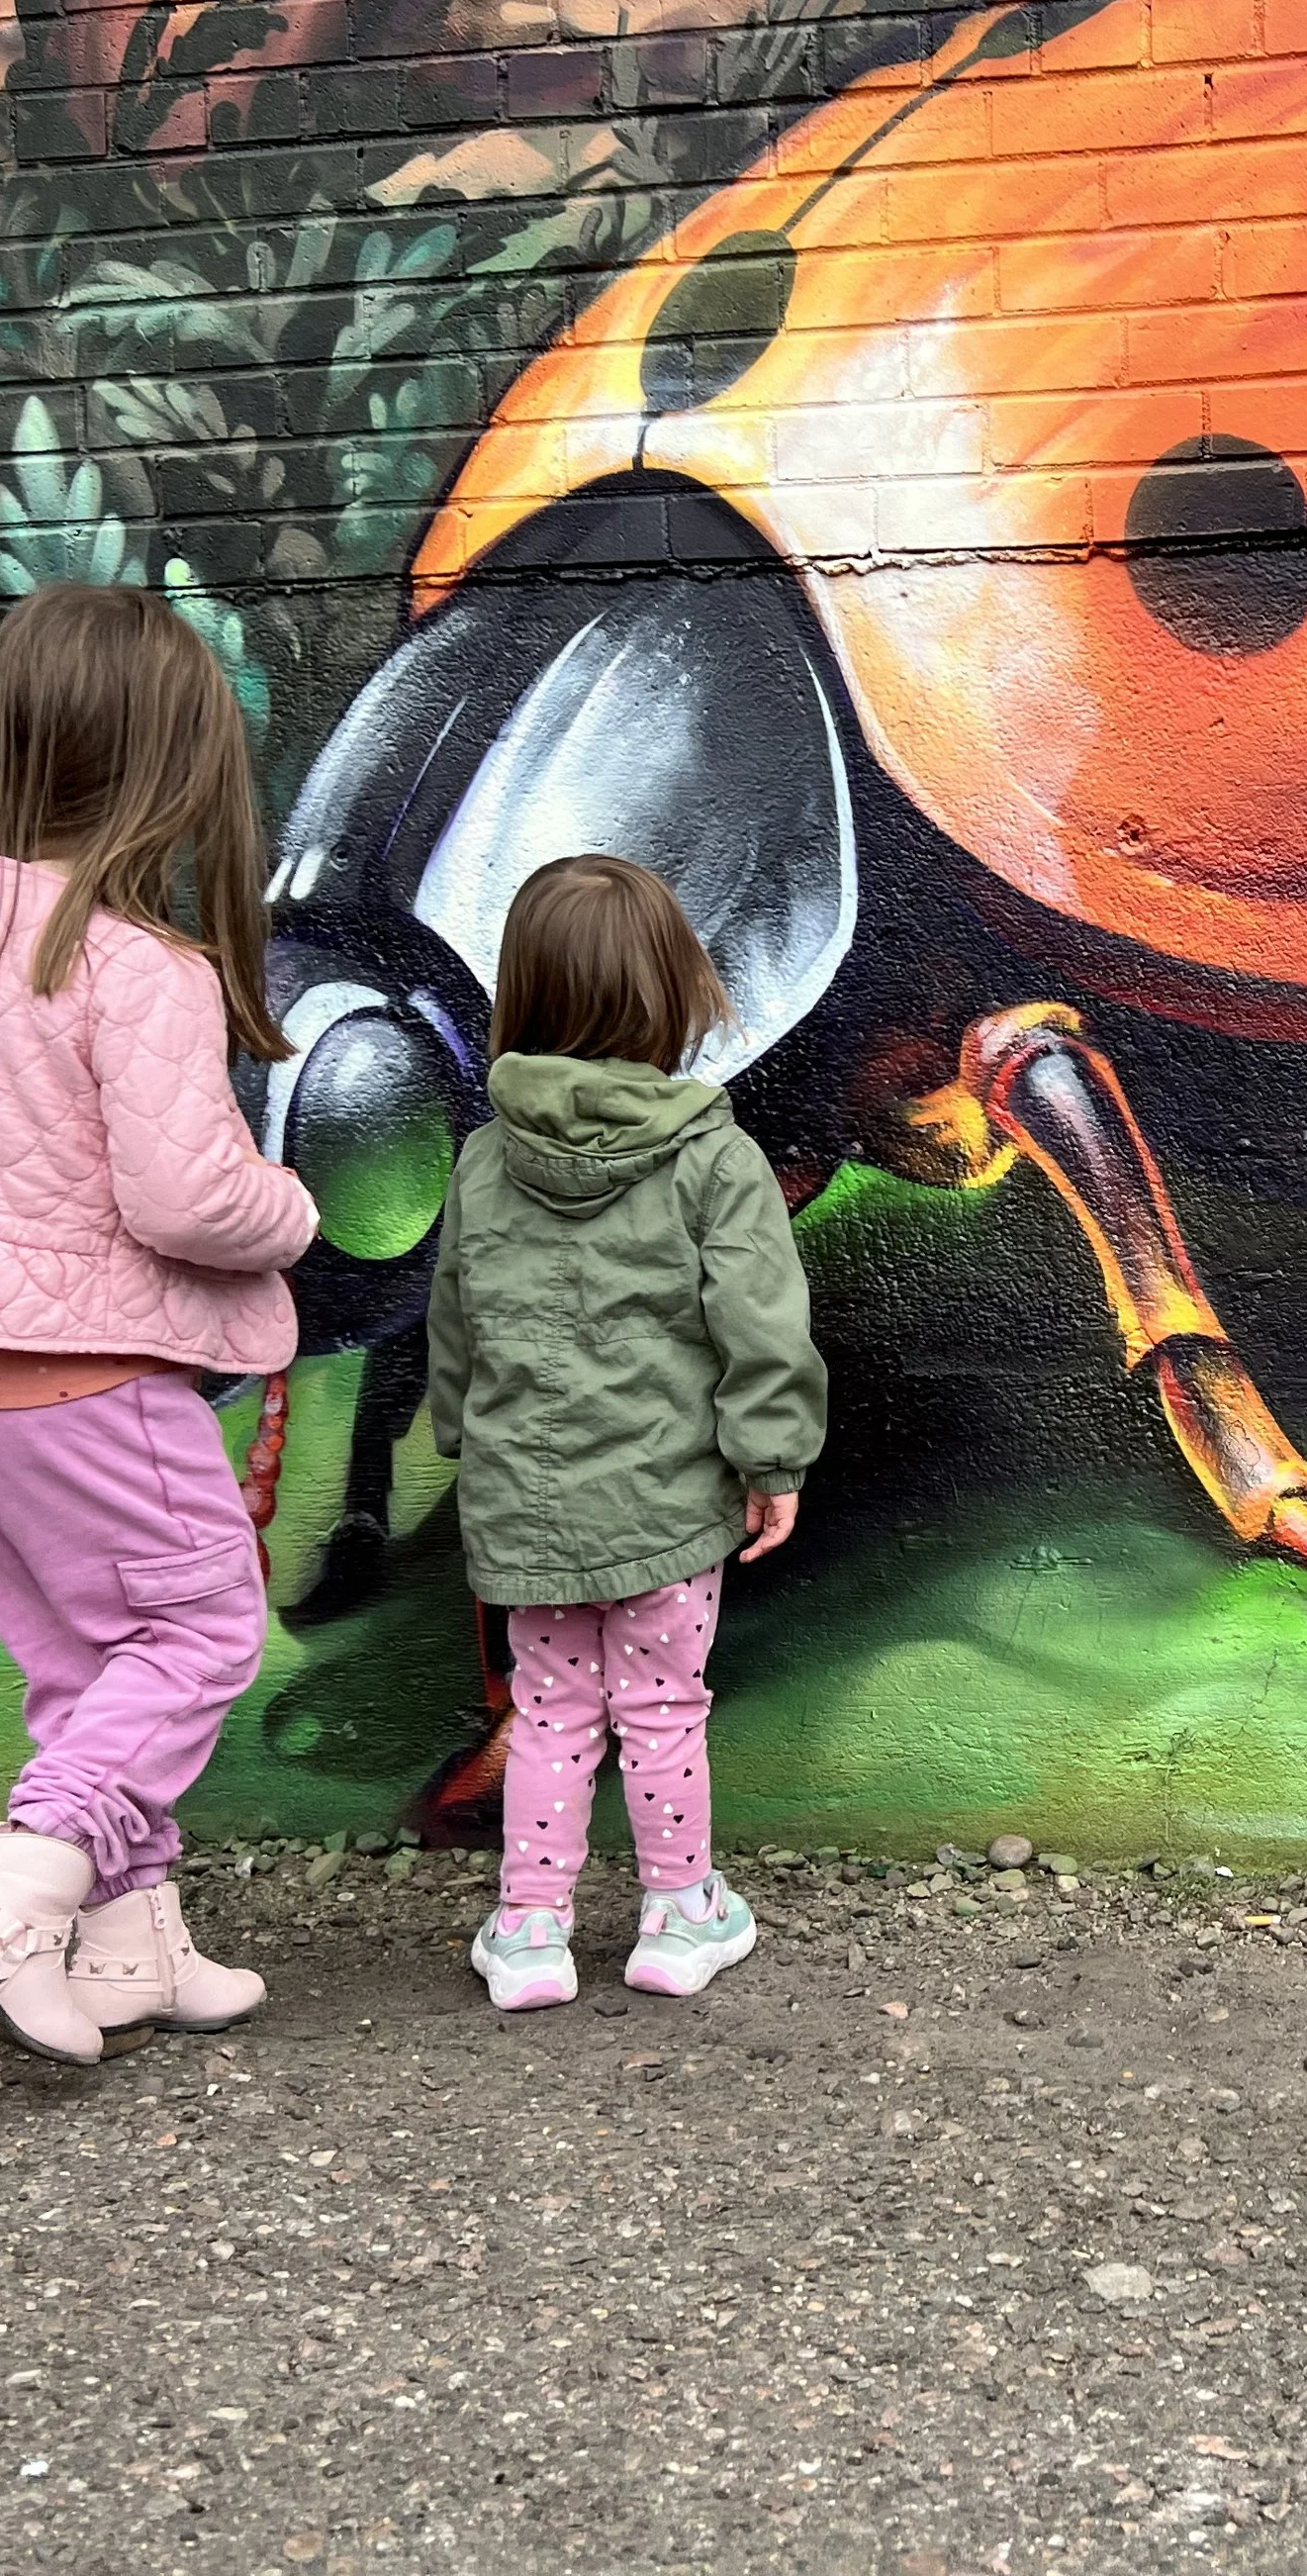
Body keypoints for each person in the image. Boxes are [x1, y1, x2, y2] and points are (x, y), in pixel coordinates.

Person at [0, 586, 319, 2067]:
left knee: (92, 1672)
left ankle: (129, 1947)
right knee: (202, 1630)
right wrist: (287, 1210)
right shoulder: (137, 966)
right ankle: (13, 1897)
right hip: (88, 1390)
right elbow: (184, 1196)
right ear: (175, 771)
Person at [426, 854, 828, 2011]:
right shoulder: (713, 1156)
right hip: (666, 1503)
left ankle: (532, 1927)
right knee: (660, 1708)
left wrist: (462, 1431)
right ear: (671, 995)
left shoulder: (485, 1156)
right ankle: (676, 1914)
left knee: (550, 1707)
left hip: (528, 1503)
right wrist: (772, 1459)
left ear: (526, 995)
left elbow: (458, 1317)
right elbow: (761, 1324)